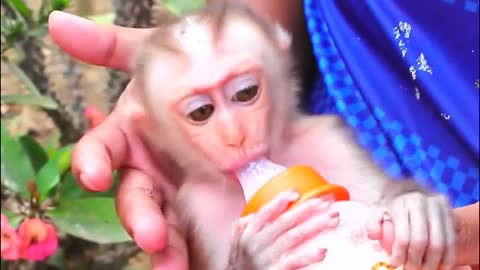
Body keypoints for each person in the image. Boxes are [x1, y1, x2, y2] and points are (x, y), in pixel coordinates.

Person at [47, 0, 479, 269]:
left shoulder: (328, 138)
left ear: (278, 60)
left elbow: (392, 215)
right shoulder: (197, 207)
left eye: (246, 92)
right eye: (199, 112)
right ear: (153, 128)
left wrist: (418, 214)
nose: (234, 133)